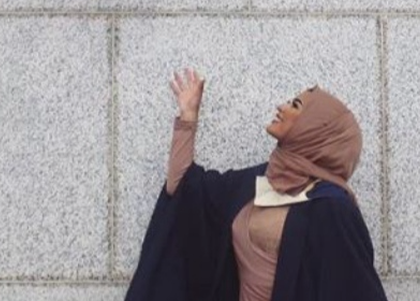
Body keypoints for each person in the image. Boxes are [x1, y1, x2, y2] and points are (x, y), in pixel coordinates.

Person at [124, 68, 388, 301]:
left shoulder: (332, 209)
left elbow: (355, 290)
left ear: (315, 129)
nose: (281, 107)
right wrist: (188, 117)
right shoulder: (256, 183)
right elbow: (183, 187)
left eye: (295, 106)